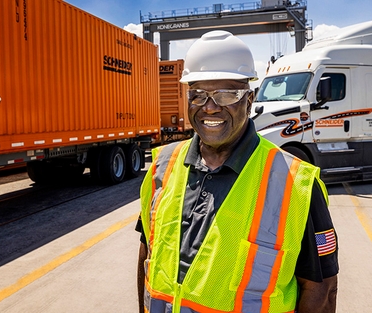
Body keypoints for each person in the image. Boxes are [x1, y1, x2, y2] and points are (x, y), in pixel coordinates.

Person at [136, 30, 338, 313]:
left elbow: (322, 289)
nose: (210, 107)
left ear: (250, 98)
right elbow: (148, 252)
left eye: (226, 93)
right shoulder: (163, 166)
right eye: (198, 94)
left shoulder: (295, 183)